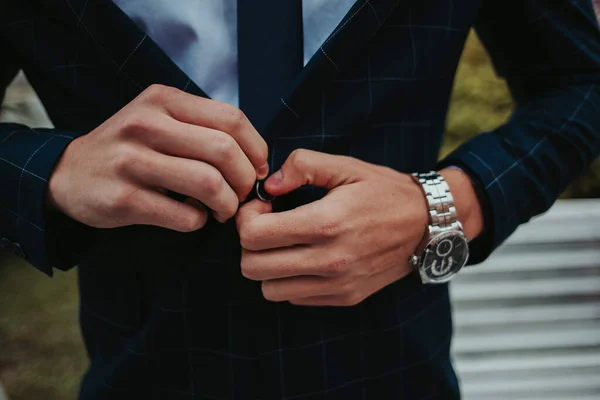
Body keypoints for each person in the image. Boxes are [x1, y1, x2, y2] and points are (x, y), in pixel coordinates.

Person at [1, 0, 599, 398]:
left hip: (396, 372)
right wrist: (53, 171)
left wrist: (442, 206)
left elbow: (581, 82)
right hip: (141, 371)